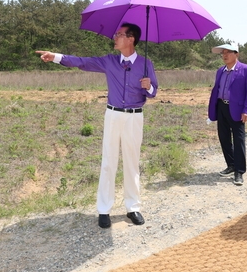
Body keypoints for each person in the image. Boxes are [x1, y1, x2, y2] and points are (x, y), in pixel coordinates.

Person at [36, 23, 158, 229]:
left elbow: (154, 92)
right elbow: (82, 62)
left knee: (132, 162)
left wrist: (149, 86)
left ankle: (133, 207)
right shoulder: (108, 61)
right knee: (109, 161)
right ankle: (104, 209)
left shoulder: (147, 64)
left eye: (119, 34)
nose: (115, 37)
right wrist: (56, 56)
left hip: (134, 118)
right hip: (113, 115)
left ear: (131, 39)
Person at [208, 43, 247, 186]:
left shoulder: (246, 70)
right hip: (222, 107)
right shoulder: (220, 71)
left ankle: (239, 171)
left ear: (237, 54)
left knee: (238, 139)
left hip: (237, 109)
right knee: (224, 137)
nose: (225, 55)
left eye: (228, 52)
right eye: (223, 53)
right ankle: (231, 164)